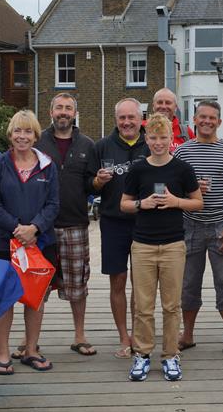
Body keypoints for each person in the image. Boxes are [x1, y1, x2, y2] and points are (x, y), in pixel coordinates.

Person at [120, 114, 204, 382]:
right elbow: (123, 203)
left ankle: (170, 355)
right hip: (143, 245)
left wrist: (175, 201)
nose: (158, 143)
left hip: (172, 245)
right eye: (153, 138)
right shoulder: (138, 169)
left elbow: (197, 203)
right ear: (147, 139)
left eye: (163, 137)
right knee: (143, 306)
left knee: (171, 305)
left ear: (171, 139)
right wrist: (140, 205)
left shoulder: (182, 169)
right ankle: (142, 354)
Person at [0, 110, 60, 374]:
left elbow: (53, 204)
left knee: (35, 298)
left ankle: (31, 349)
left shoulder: (48, 166)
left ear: (36, 135)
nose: (22, 136)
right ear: (10, 134)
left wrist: (35, 228)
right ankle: (3, 354)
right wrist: (18, 228)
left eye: (28, 131)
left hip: (39, 243)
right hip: (4, 243)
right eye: (18, 131)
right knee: (5, 299)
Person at [175, 101, 223, 359]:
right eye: (202, 117)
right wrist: (191, 189)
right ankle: (187, 334)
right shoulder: (182, 153)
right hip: (189, 225)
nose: (207, 121)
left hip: (222, 226)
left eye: (212, 118)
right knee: (187, 284)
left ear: (219, 122)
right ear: (194, 119)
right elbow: (174, 192)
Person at [35, 93, 98, 356]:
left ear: (75, 113)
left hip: (75, 222)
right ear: (51, 112)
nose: (63, 112)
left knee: (77, 282)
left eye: (68, 108)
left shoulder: (87, 144)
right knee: (37, 285)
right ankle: (31, 339)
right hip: (41, 226)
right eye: (59, 108)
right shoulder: (38, 142)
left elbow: (90, 184)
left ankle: (79, 335)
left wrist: (99, 184)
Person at [93, 98, 150, 359]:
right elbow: (89, 186)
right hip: (113, 221)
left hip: (145, 223)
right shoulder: (102, 146)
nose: (127, 122)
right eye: (122, 118)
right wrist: (97, 181)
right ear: (115, 120)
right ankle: (124, 336)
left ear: (141, 119)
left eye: (131, 117)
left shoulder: (152, 143)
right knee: (118, 281)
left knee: (142, 284)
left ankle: (139, 335)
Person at [151, 87, 195, 153]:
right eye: (160, 102)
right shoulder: (144, 129)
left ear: (175, 107)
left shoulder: (186, 132)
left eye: (168, 103)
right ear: (153, 106)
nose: (163, 106)